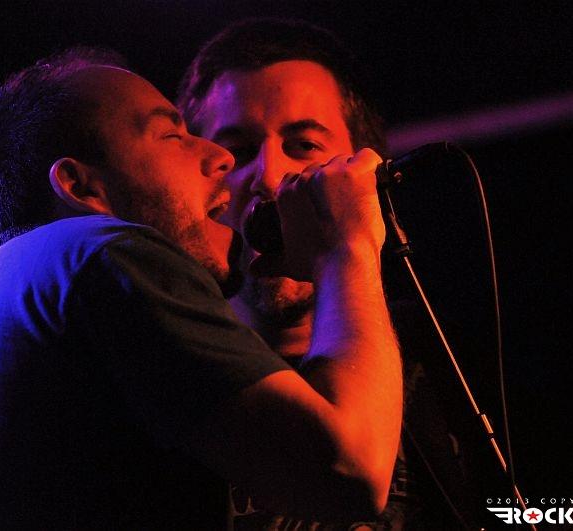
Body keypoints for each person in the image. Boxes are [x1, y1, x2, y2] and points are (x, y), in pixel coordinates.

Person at [0, 47, 402, 529]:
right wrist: (346, 245)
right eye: (173, 136)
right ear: (80, 185)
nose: (221, 159)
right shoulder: (97, 250)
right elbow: (349, 470)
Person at [178, 18, 486, 529]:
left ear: (367, 175)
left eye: (303, 145)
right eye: (237, 151)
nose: (269, 178)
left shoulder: (444, 358)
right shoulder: (166, 369)